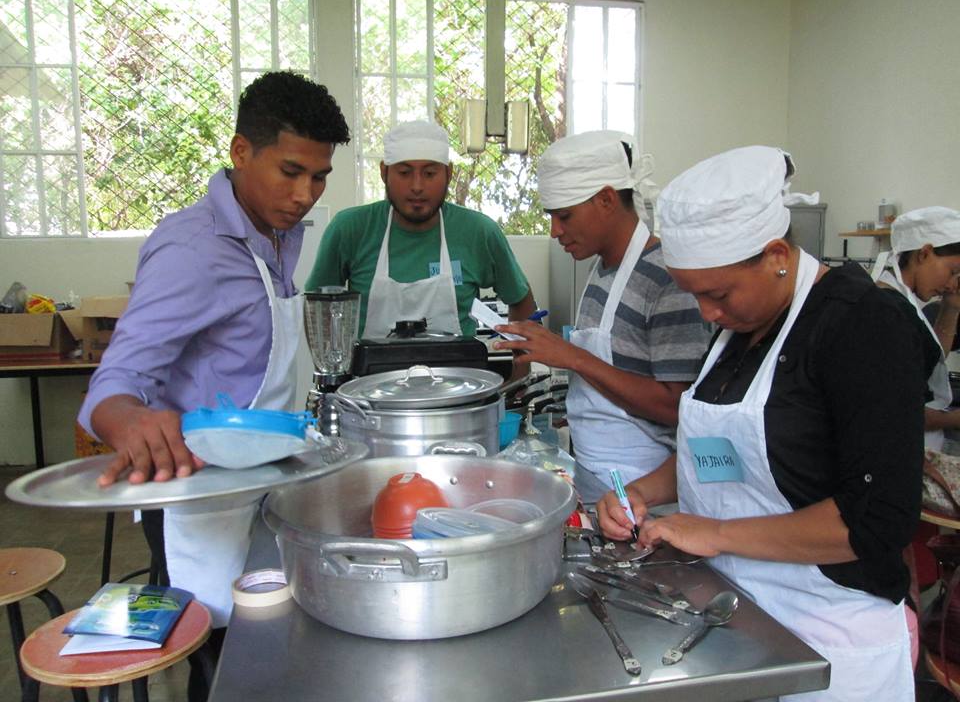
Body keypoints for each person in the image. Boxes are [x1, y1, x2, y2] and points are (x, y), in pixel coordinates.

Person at [597, 146, 925, 700]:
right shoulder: (738, 327)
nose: (705, 313)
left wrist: (717, 533)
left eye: (716, 293)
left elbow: (876, 522)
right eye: (693, 293)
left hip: (829, 642)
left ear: (776, 254)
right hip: (737, 614)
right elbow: (726, 452)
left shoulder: (863, 325)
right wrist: (642, 492)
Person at [78, 71, 350, 700]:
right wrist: (129, 420)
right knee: (220, 667)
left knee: (263, 650)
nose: (305, 193)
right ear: (239, 152)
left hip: (256, 485)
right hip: (198, 504)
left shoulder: (275, 235)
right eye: (289, 172)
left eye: (319, 177)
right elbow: (113, 385)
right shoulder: (193, 248)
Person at [494, 131, 710, 502]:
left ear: (607, 199)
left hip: (648, 495)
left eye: (564, 216)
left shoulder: (666, 279)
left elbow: (678, 407)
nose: (555, 231)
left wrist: (571, 357)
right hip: (597, 477)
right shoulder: (601, 271)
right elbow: (616, 377)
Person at [305, 120, 536, 346]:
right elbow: (316, 311)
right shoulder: (350, 229)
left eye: (429, 174)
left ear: (449, 173)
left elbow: (521, 301)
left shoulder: (478, 232)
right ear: (384, 172)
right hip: (369, 381)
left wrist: (520, 372)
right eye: (404, 173)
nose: (417, 186)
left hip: (460, 380)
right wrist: (336, 368)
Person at [871, 206, 960, 451]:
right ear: (924, 253)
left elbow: (927, 362)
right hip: (898, 452)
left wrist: (951, 308)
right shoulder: (890, 311)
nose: (953, 285)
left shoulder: (902, 302)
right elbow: (898, 411)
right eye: (952, 272)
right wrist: (953, 419)